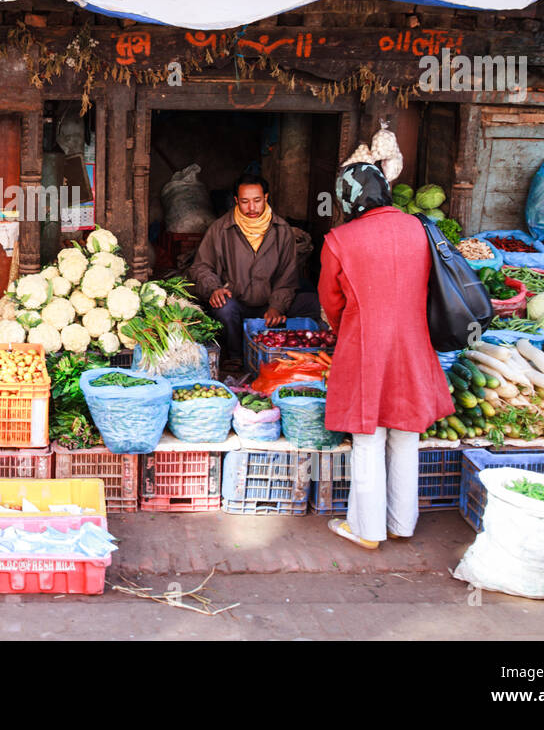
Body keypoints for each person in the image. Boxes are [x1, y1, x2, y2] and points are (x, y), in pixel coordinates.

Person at [318, 161, 452, 549]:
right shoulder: (422, 228)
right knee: (406, 436)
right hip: (414, 343)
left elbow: (331, 300)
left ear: (348, 199)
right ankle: (401, 525)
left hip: (366, 346)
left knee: (368, 438)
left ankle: (367, 530)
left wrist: (347, 331)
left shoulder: (340, 239)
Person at [188, 172, 319, 362]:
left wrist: (277, 306)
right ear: (236, 200)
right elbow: (201, 266)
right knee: (224, 308)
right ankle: (235, 357)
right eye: (244, 201)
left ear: (266, 197)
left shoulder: (282, 231)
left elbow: (287, 277)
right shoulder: (220, 229)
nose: (251, 207)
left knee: (312, 303)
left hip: (268, 306)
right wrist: (214, 289)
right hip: (236, 303)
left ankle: (286, 351)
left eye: (257, 200)